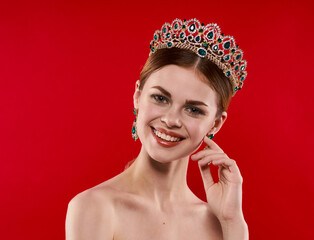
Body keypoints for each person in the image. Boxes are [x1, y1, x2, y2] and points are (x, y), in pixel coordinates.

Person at [65, 18, 249, 240]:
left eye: (193, 109)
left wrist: (232, 223)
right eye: (160, 98)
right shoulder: (95, 208)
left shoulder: (220, 223)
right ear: (138, 96)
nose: (171, 120)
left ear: (216, 123)